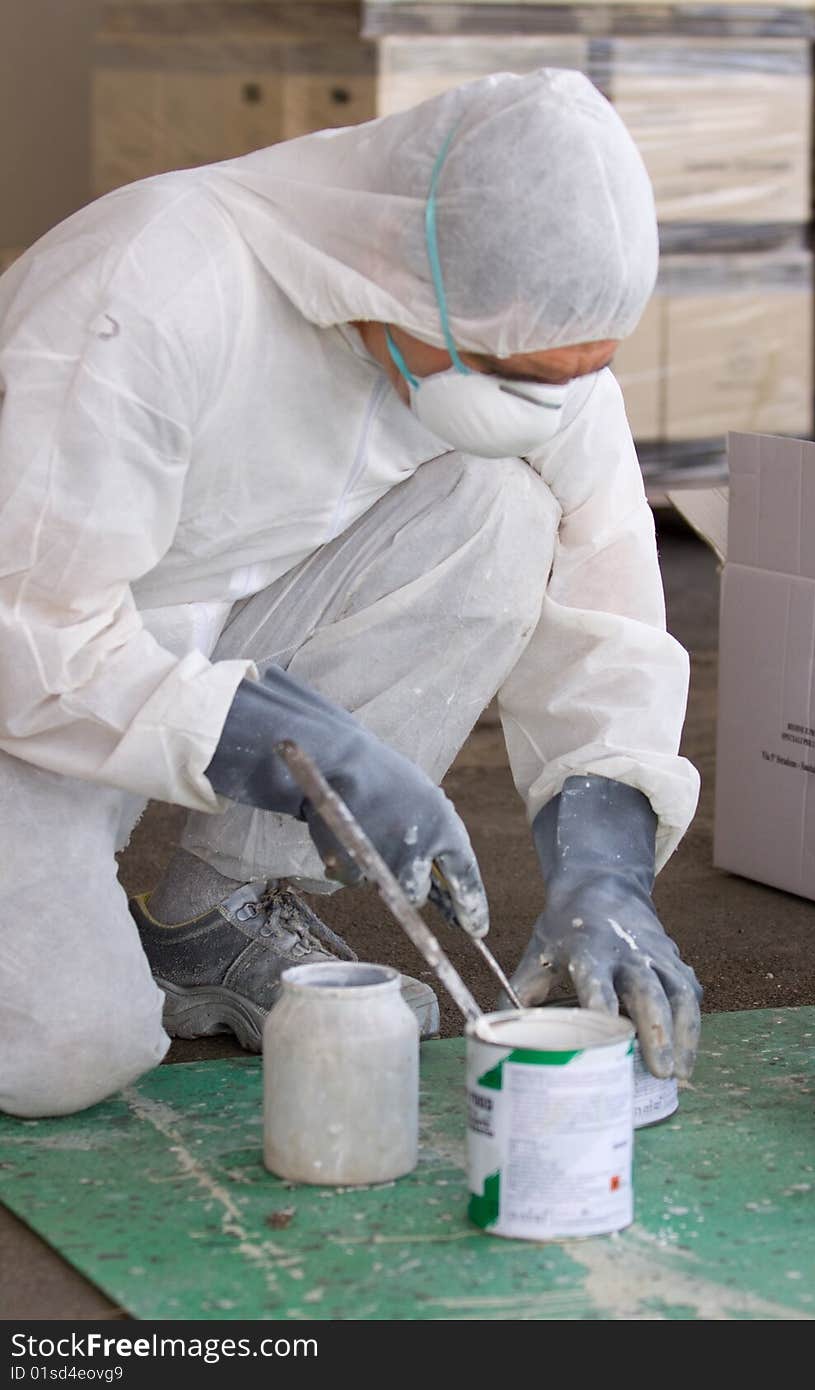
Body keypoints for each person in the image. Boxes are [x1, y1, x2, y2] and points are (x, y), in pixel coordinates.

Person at [0, 68, 701, 1119]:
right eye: (508, 372)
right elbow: (29, 627)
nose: (537, 407)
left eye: (568, 377)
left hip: (200, 624)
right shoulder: (150, 289)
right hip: (41, 667)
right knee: (67, 1052)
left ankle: (213, 906)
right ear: (406, 271)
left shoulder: (524, 327)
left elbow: (603, 579)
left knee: (502, 504)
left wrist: (605, 861)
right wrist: (284, 740)